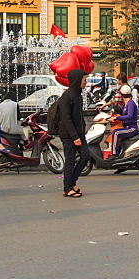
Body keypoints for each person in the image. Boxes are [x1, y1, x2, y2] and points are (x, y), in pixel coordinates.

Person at [56, 69, 89, 198]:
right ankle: (67, 188)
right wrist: (74, 136)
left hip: (79, 134)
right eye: (84, 80)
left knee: (85, 156)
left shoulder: (78, 95)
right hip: (69, 135)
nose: (85, 83)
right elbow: (66, 118)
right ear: (77, 80)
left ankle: (72, 182)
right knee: (70, 160)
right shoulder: (67, 96)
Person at [109, 84, 139, 156]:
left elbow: (130, 116)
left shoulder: (131, 103)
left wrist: (117, 118)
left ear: (122, 94)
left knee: (116, 133)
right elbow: (119, 111)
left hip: (131, 128)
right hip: (126, 127)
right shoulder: (125, 104)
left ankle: (114, 154)